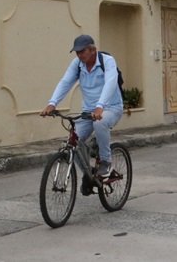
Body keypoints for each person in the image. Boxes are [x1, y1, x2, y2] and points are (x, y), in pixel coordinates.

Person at [41, 34, 123, 196]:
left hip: (111, 107)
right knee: (74, 141)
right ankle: (89, 173)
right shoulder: (78, 64)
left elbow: (111, 82)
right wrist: (52, 103)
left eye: (82, 51)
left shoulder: (107, 61)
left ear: (93, 50)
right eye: (76, 52)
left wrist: (100, 107)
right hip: (89, 112)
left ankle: (105, 162)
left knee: (100, 124)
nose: (79, 55)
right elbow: (65, 82)